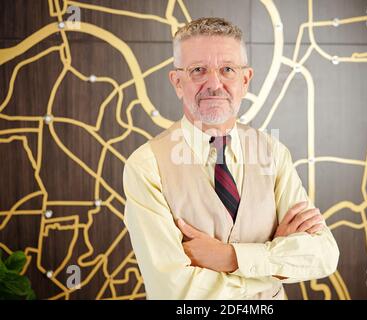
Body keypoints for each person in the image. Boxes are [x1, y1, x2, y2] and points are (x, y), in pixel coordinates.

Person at [123, 17, 339, 300]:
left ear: (245, 80)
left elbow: (323, 254)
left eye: (227, 69)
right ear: (177, 82)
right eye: (198, 70)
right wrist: (272, 270)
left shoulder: (272, 153)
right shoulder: (146, 166)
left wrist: (230, 257)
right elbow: (173, 291)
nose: (214, 84)